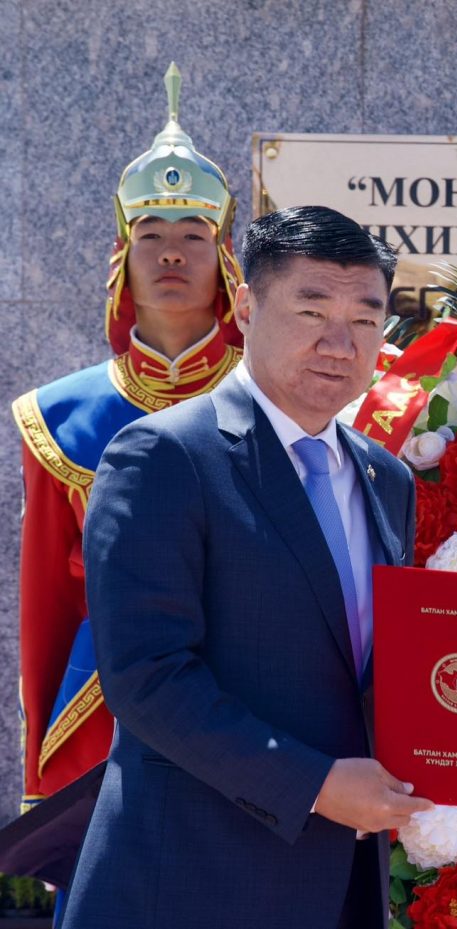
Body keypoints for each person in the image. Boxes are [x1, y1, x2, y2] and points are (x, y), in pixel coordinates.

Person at [58, 206, 433, 929]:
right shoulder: (165, 456)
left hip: (342, 886)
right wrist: (316, 785)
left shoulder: (386, 478)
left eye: (365, 319)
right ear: (247, 306)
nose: (339, 343)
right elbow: (146, 677)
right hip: (191, 884)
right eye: (311, 311)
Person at [11, 63, 244, 814]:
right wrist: (38, 771)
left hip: (254, 699)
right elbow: (47, 602)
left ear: (226, 262)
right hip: (104, 705)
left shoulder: (275, 396)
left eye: (193, 236)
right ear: (122, 258)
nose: (172, 253)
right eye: (151, 235)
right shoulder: (59, 416)